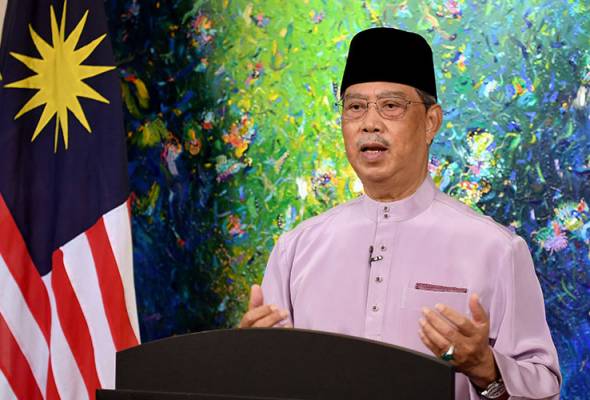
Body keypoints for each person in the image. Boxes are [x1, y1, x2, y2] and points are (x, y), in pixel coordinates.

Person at [239, 27, 561, 399]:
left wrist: (486, 368)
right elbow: (269, 382)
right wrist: (251, 359)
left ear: (430, 122)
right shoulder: (296, 249)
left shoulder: (495, 248)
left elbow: (545, 389)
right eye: (355, 107)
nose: (369, 123)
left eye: (391, 106)